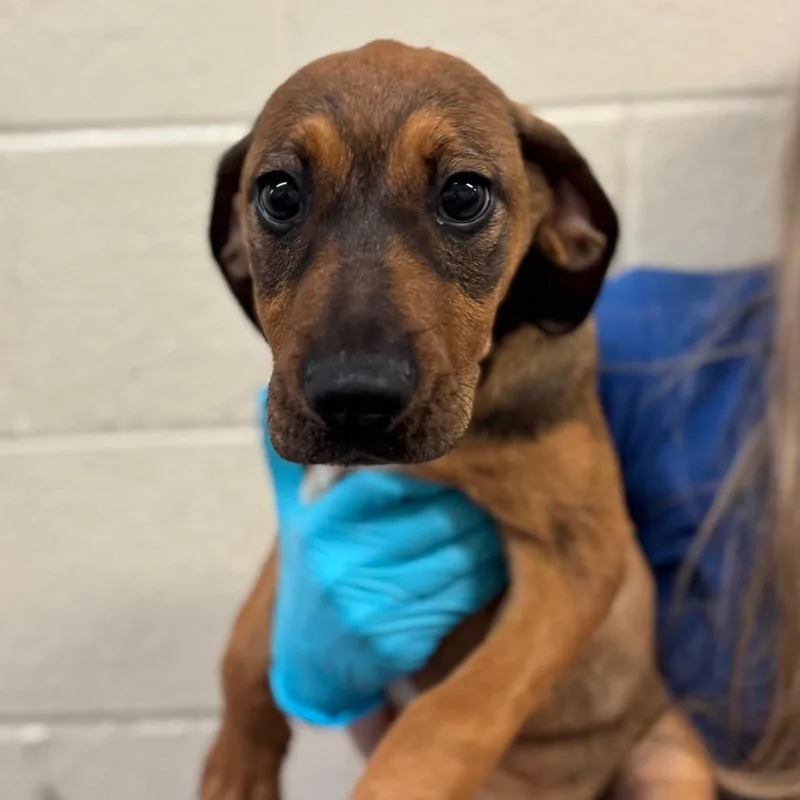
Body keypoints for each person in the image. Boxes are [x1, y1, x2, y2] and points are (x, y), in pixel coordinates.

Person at [264, 99, 800, 787]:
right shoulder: (650, 350)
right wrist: (323, 678)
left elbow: (583, 571)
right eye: (281, 199)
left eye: (460, 196)